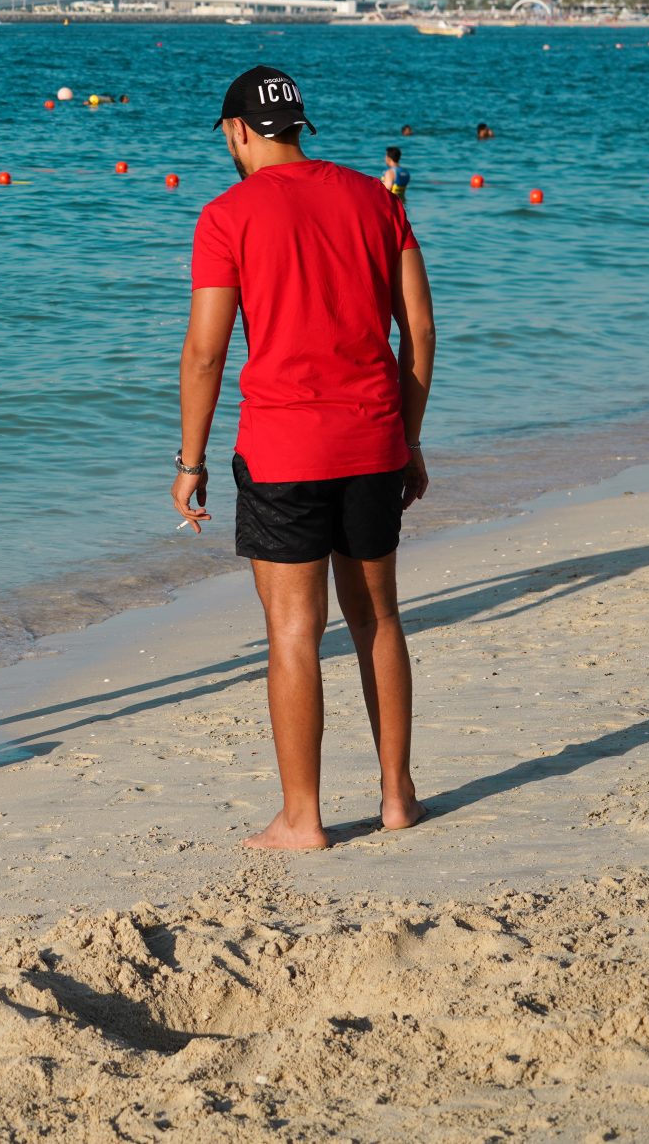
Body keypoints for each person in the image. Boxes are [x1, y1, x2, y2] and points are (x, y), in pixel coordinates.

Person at [174, 66, 436, 851]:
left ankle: (303, 817)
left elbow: (205, 354)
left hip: (283, 447)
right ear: (297, 128)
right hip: (372, 441)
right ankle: (396, 798)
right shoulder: (376, 200)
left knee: (294, 633)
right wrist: (410, 438)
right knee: (378, 619)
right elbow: (418, 334)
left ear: (237, 131)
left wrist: (189, 460)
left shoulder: (226, 216)